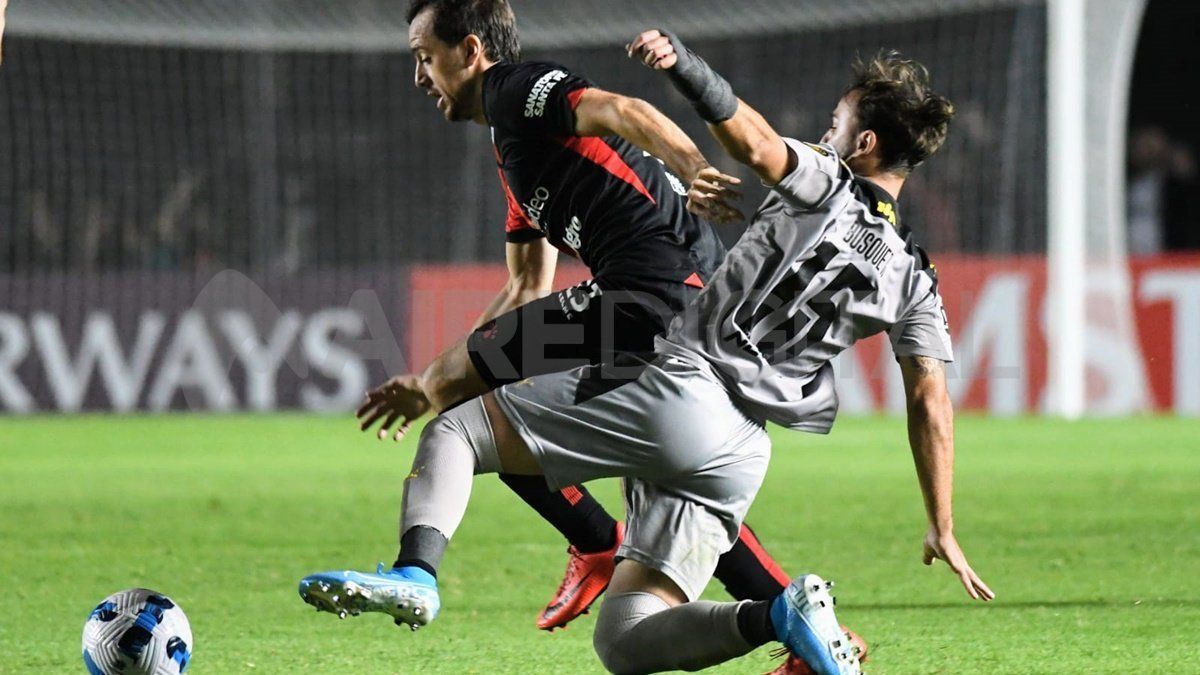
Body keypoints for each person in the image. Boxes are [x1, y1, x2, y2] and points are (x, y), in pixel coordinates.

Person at [301, 29, 996, 675]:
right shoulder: (917, 277)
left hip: (682, 379)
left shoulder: (825, 180)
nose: (824, 133)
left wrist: (685, 67)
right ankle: (780, 615)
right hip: (742, 449)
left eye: (835, 124)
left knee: (458, 429)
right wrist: (942, 524)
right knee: (625, 639)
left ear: (862, 143)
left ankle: (417, 573)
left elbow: (752, 141)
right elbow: (931, 403)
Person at [349, 0, 797, 633]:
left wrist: (695, 169)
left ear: (471, 50)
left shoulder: (513, 88)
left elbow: (623, 110)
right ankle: (799, 622)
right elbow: (525, 286)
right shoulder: (516, 152)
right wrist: (437, 379)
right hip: (687, 315)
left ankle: (575, 544)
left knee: (459, 400)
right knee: (669, 476)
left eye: (426, 58)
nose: (419, 76)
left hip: (656, 296)